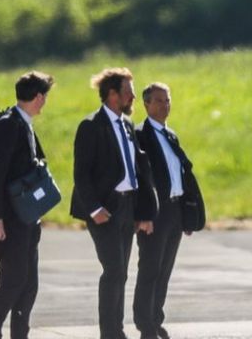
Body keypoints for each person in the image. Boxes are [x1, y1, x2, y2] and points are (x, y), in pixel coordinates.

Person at [71, 68, 158, 339]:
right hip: (104, 210)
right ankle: (111, 333)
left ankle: (115, 329)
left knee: (121, 273)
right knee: (114, 270)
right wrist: (94, 208)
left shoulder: (127, 125)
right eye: (128, 92)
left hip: (127, 207)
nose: (133, 96)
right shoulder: (90, 126)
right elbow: (81, 173)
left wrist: (143, 212)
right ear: (112, 95)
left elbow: (138, 171)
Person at [133, 83, 205, 339]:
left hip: (174, 211)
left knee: (165, 269)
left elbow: (180, 175)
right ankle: (144, 324)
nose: (165, 105)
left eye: (167, 100)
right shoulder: (141, 134)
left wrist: (187, 215)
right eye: (159, 101)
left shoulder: (170, 135)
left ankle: (155, 317)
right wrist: (144, 214)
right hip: (155, 212)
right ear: (146, 105)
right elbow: (142, 177)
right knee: (150, 268)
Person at [0, 71, 54, 339]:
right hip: (10, 220)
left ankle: (21, 334)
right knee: (14, 280)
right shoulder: (9, 124)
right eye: (46, 97)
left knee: (29, 284)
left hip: (28, 219)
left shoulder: (25, 124)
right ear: (39, 97)